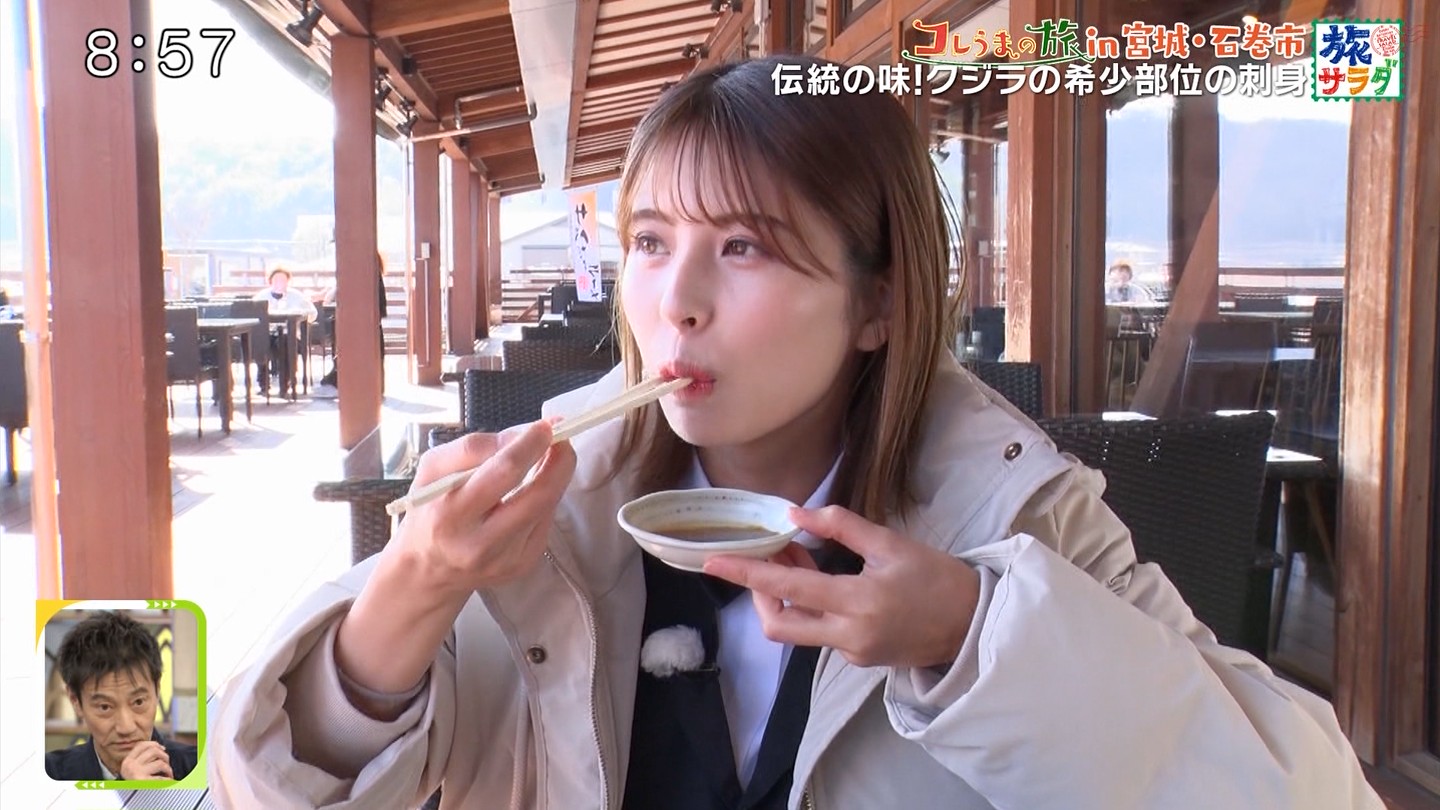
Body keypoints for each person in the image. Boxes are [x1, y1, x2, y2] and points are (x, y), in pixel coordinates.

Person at [209, 56, 1382, 809]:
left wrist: (971, 635)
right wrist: (410, 592)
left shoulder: (1016, 514)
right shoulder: (543, 516)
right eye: (652, 242)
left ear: (879, 303)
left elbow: (1312, 793)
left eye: (744, 247)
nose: (676, 301)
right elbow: (267, 786)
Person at [45, 611, 198, 781]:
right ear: (75, 701)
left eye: (138, 702)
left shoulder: (198, 767)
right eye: (105, 707)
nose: (126, 728)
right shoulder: (51, 773)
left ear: (157, 690)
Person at [314, 254, 388, 399]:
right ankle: (374, 386)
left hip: (360, 317)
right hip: (371, 317)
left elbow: (333, 294)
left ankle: (356, 386)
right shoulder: (372, 265)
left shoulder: (359, 264)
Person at [252, 267, 318, 394]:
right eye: (276, 280)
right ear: (270, 281)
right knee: (259, 342)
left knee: (286, 343)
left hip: (290, 334)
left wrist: (300, 316)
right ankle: (263, 383)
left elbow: (312, 313)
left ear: (288, 281)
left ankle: (286, 383)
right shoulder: (261, 297)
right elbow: (252, 313)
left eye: (283, 280)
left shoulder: (297, 296)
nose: (279, 283)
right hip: (268, 333)